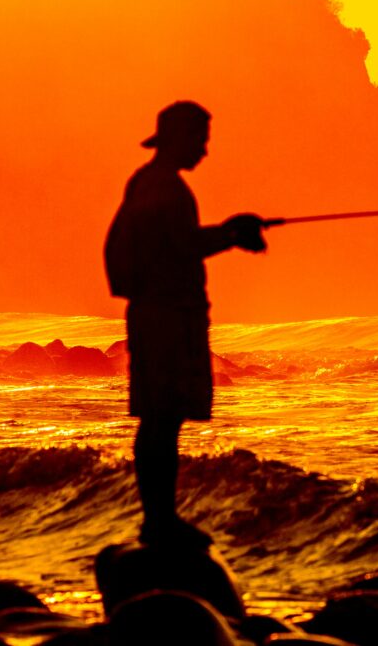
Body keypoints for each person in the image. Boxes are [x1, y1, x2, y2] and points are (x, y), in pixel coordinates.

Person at [104, 101, 266, 547]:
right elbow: (179, 247)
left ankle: (160, 518)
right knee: (162, 418)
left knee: (162, 418)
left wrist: (230, 232)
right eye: (201, 139)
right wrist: (232, 234)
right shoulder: (164, 188)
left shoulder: (150, 183)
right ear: (178, 138)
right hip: (165, 319)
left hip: (161, 315)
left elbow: (174, 245)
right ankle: (159, 521)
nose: (205, 150)